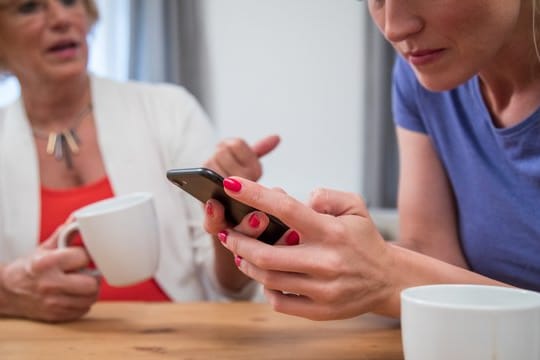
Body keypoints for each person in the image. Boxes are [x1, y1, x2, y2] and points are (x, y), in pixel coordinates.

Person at [204, 0, 540, 320]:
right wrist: (325, 248)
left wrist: (388, 276)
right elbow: (436, 252)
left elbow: (403, 278)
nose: (393, 28)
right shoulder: (422, 73)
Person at [0, 0, 279, 322]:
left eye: (70, 1)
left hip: (176, 341)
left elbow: (230, 288)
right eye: (28, 7)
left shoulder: (170, 110)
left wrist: (232, 222)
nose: (62, 18)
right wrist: (8, 291)